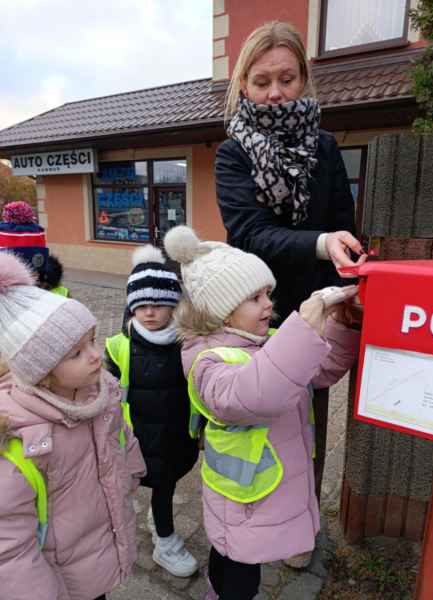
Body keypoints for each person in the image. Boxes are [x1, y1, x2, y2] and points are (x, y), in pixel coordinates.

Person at [215, 21, 367, 515]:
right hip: (251, 314)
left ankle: (304, 519)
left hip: (314, 314)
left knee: (310, 430)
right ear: (244, 85)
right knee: (255, 423)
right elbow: (249, 233)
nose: (275, 93)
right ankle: (248, 521)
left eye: (286, 79)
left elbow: (344, 224)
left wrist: (345, 292)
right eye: (262, 81)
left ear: (303, 78)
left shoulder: (325, 147)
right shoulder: (232, 154)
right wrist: (322, 243)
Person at [164, 226, 362, 600]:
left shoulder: (266, 342)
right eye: (254, 297)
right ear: (222, 313)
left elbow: (322, 369)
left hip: (263, 490)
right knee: (238, 572)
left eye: (268, 293)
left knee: (239, 561)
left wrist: (341, 322)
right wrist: (302, 329)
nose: (268, 304)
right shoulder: (206, 361)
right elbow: (256, 394)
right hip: (242, 499)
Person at [0, 251, 146, 600]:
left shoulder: (101, 393)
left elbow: (121, 438)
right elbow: (10, 549)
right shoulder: (21, 439)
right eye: (76, 353)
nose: (95, 355)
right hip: (59, 578)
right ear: (42, 374)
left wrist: (131, 474)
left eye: (92, 341)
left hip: (98, 553)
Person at [104, 244, 199, 578]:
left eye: (158, 304)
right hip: (136, 439)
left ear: (173, 305)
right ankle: (164, 541)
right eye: (141, 305)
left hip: (176, 436)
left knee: (166, 484)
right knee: (152, 489)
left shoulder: (188, 342)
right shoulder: (118, 346)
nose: (149, 312)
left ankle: (160, 531)